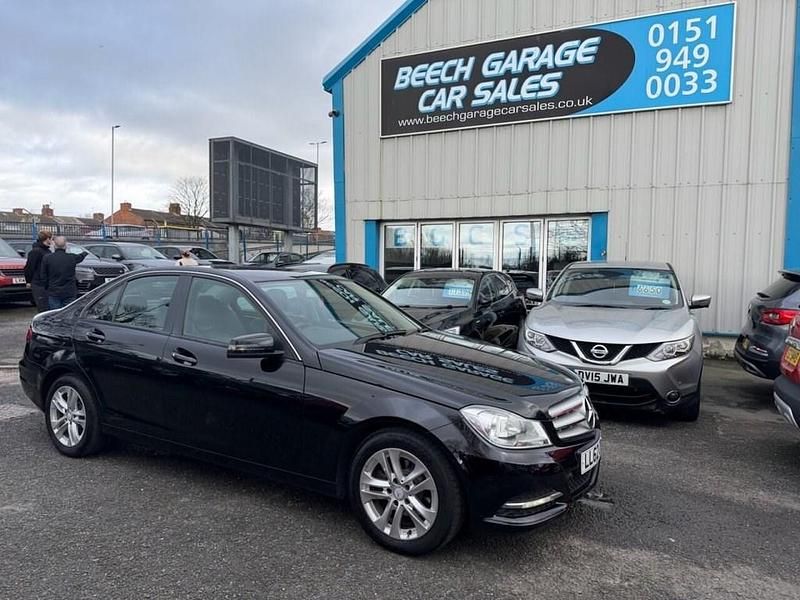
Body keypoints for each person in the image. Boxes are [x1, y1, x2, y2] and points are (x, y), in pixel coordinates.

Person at [40, 236, 87, 310]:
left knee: (55, 314)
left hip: (53, 291)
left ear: (54, 246)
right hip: (69, 291)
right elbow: (80, 257)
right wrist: (85, 253)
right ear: (66, 246)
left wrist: (46, 287)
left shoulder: (47, 258)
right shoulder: (72, 257)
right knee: (68, 314)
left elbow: (43, 276)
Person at [24, 231, 53, 312]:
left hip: (46, 282)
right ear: (47, 239)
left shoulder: (47, 251)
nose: (52, 241)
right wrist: (28, 281)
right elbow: (29, 267)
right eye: (51, 239)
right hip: (38, 282)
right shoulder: (36, 251)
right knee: (43, 306)